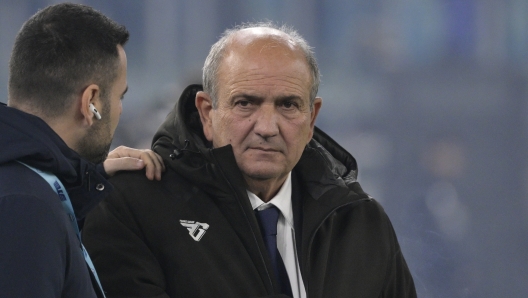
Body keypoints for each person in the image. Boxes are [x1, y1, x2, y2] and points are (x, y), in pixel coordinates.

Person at [83, 23, 417, 298]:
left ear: (311, 117)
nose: (267, 128)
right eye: (246, 103)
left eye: (288, 105)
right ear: (207, 113)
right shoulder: (134, 207)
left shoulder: (359, 221)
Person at [0, 3, 164, 298]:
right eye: (119, 96)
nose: (120, 110)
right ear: (91, 102)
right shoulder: (26, 208)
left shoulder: (26, 186)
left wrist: (84, 180)